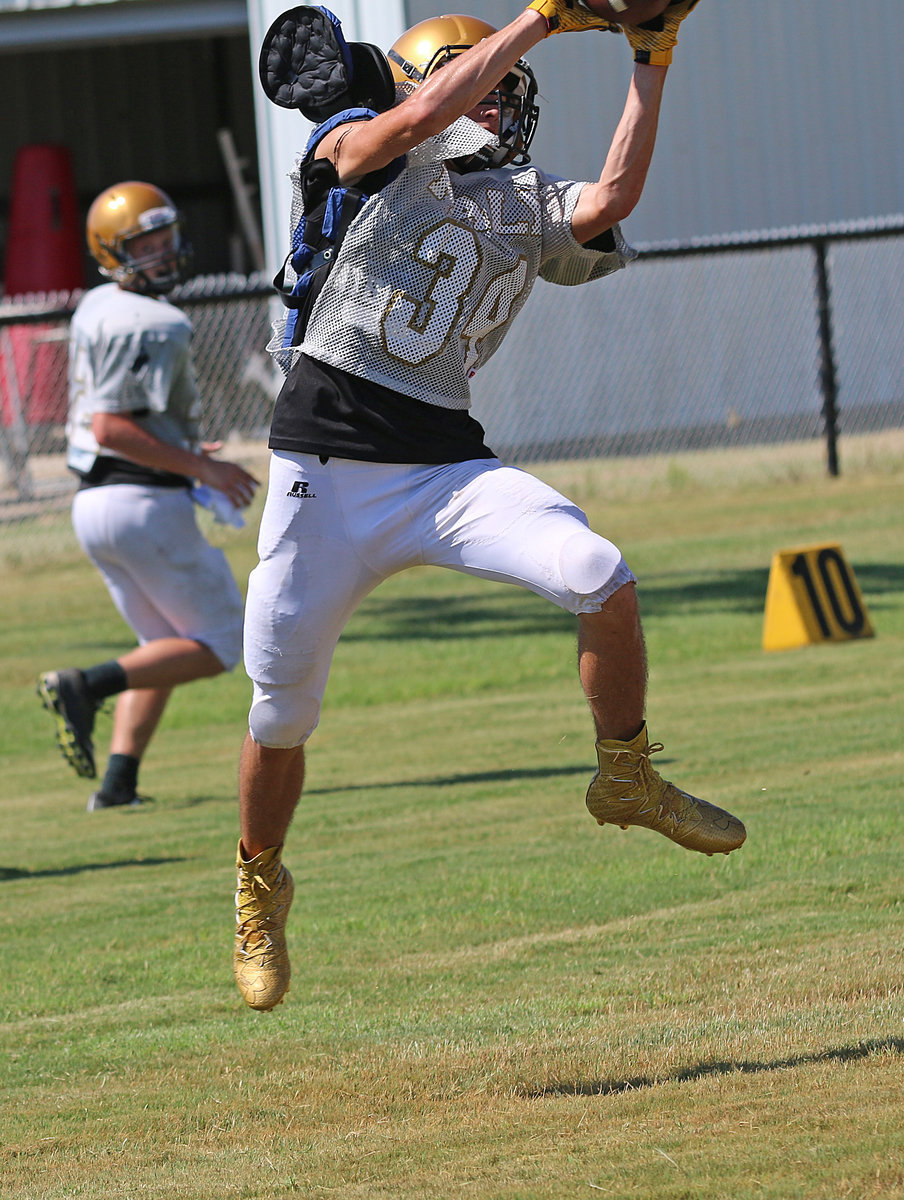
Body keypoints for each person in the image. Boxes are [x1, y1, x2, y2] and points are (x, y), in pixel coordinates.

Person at [234, 0, 746, 1013]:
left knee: (598, 574)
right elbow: (409, 125)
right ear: (446, 85)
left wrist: (651, 59)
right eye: (493, 88)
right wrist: (541, 18)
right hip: (324, 473)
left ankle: (625, 773)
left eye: (517, 96)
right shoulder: (372, 151)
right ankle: (256, 883)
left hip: (441, 469)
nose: (507, 110)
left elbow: (606, 201)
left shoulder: (519, 195)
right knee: (280, 711)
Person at [38, 181, 259, 811]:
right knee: (221, 644)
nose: (163, 253)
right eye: (146, 244)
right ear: (113, 251)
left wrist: (184, 456)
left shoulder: (97, 305)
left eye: (165, 239)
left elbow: (111, 424)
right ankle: (84, 685)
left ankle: (118, 783)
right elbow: (113, 425)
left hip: (97, 503)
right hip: (142, 503)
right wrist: (199, 468)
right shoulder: (154, 321)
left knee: (160, 645)